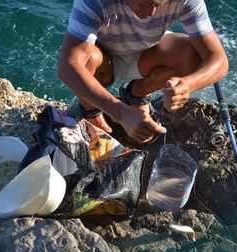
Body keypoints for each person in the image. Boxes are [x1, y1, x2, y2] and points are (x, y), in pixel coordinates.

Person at [58, 0, 228, 144]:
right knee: (86, 58)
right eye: (143, 3)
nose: (149, 13)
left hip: (148, 52)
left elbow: (218, 59)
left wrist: (188, 84)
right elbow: (67, 66)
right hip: (104, 58)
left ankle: (136, 93)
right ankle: (91, 112)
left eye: (157, 5)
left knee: (192, 55)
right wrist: (119, 113)